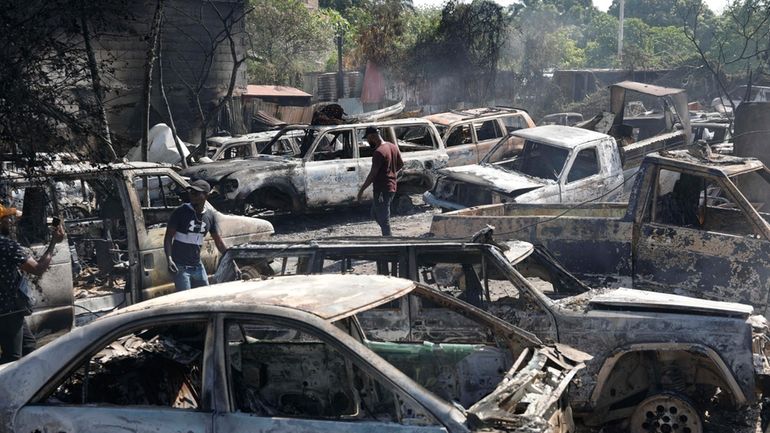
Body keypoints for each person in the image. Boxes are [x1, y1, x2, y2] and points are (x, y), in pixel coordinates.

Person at [0, 204, 65, 364]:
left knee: (28, 346)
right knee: (12, 357)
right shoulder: (6, 246)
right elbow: (38, 269)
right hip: (8, 310)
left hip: (10, 309)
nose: (9, 222)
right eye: (6, 219)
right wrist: (53, 243)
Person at [164, 180, 227, 290]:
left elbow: (219, 242)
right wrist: (169, 259)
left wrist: (231, 259)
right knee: (185, 300)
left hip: (198, 266)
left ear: (206, 195)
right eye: (191, 192)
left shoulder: (210, 216)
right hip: (181, 267)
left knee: (204, 297)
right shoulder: (180, 212)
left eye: (196, 193)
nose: (192, 196)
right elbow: (168, 237)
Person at [357, 126, 404, 236]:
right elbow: (401, 164)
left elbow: (372, 174)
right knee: (375, 213)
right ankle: (388, 235)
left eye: (367, 138)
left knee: (383, 219)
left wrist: (361, 190)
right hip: (390, 187)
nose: (368, 141)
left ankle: (389, 241)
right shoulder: (392, 146)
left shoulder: (378, 152)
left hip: (383, 189)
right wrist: (391, 174)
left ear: (372, 136)